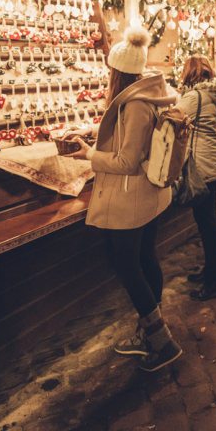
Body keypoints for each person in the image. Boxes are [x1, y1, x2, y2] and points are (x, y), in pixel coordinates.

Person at [68, 25, 181, 372]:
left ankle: (161, 343)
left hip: (130, 199)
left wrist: (89, 154)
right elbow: (133, 142)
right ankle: (151, 330)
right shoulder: (148, 95)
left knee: (127, 266)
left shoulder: (134, 105)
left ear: (118, 72)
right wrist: (97, 134)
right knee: (145, 260)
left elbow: (127, 161)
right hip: (149, 195)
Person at [176, 56, 216, 302]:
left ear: (190, 74)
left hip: (200, 164)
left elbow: (170, 120)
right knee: (209, 221)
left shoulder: (193, 97)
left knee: (207, 223)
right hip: (214, 160)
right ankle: (212, 269)